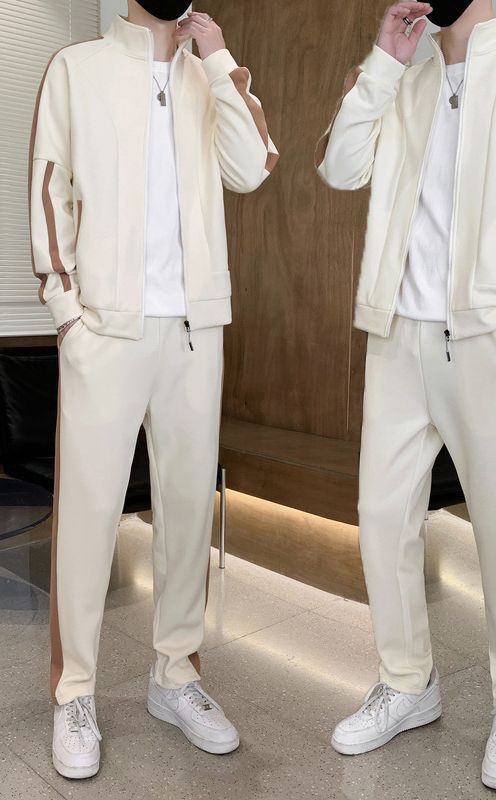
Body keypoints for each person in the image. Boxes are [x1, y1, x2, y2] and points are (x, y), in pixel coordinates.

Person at [315, 0, 496, 791]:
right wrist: (384, 63)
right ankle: (408, 682)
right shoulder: (402, 71)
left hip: (486, 341)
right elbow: (339, 166)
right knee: (381, 519)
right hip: (397, 335)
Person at [28, 0, 278, 780]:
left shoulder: (210, 76)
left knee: (186, 511)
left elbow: (253, 166)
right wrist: (69, 314)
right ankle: (74, 692)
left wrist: (219, 60)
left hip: (195, 331)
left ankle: (176, 675)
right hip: (106, 331)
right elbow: (50, 186)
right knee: (89, 517)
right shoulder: (77, 68)